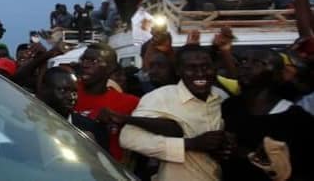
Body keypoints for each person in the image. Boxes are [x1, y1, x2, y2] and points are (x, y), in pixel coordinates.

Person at [119, 45, 230, 181]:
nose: (200, 73)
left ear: (214, 68)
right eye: (191, 68)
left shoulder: (221, 97)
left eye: (206, 67)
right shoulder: (160, 97)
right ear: (178, 70)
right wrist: (189, 144)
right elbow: (128, 138)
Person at [220, 48, 314, 180]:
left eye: (258, 62)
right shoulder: (229, 106)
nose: (246, 66)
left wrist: (251, 156)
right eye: (243, 61)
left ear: (277, 75)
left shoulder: (298, 120)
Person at [74, 43, 140, 161]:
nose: (84, 65)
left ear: (110, 68)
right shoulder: (67, 92)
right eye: (83, 59)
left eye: (93, 61)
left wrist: (123, 119)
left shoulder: (130, 103)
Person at [38, 67, 109, 151]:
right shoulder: (29, 122)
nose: (71, 97)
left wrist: (91, 150)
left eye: (74, 92)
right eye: (63, 90)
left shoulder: (93, 130)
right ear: (44, 90)